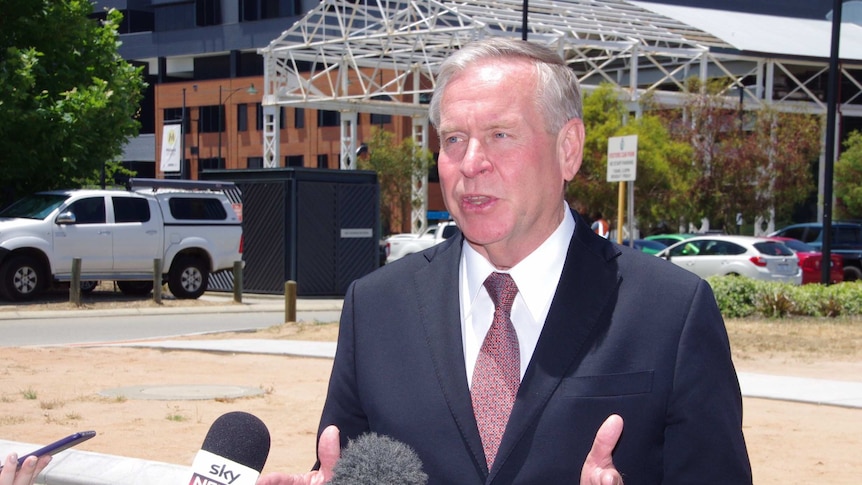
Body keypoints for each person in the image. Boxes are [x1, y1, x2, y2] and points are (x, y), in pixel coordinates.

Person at [259, 37, 751, 484]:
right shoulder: (376, 308)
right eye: (453, 139)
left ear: (569, 149)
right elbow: (343, 471)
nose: (471, 162)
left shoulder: (670, 312)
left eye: (500, 135)